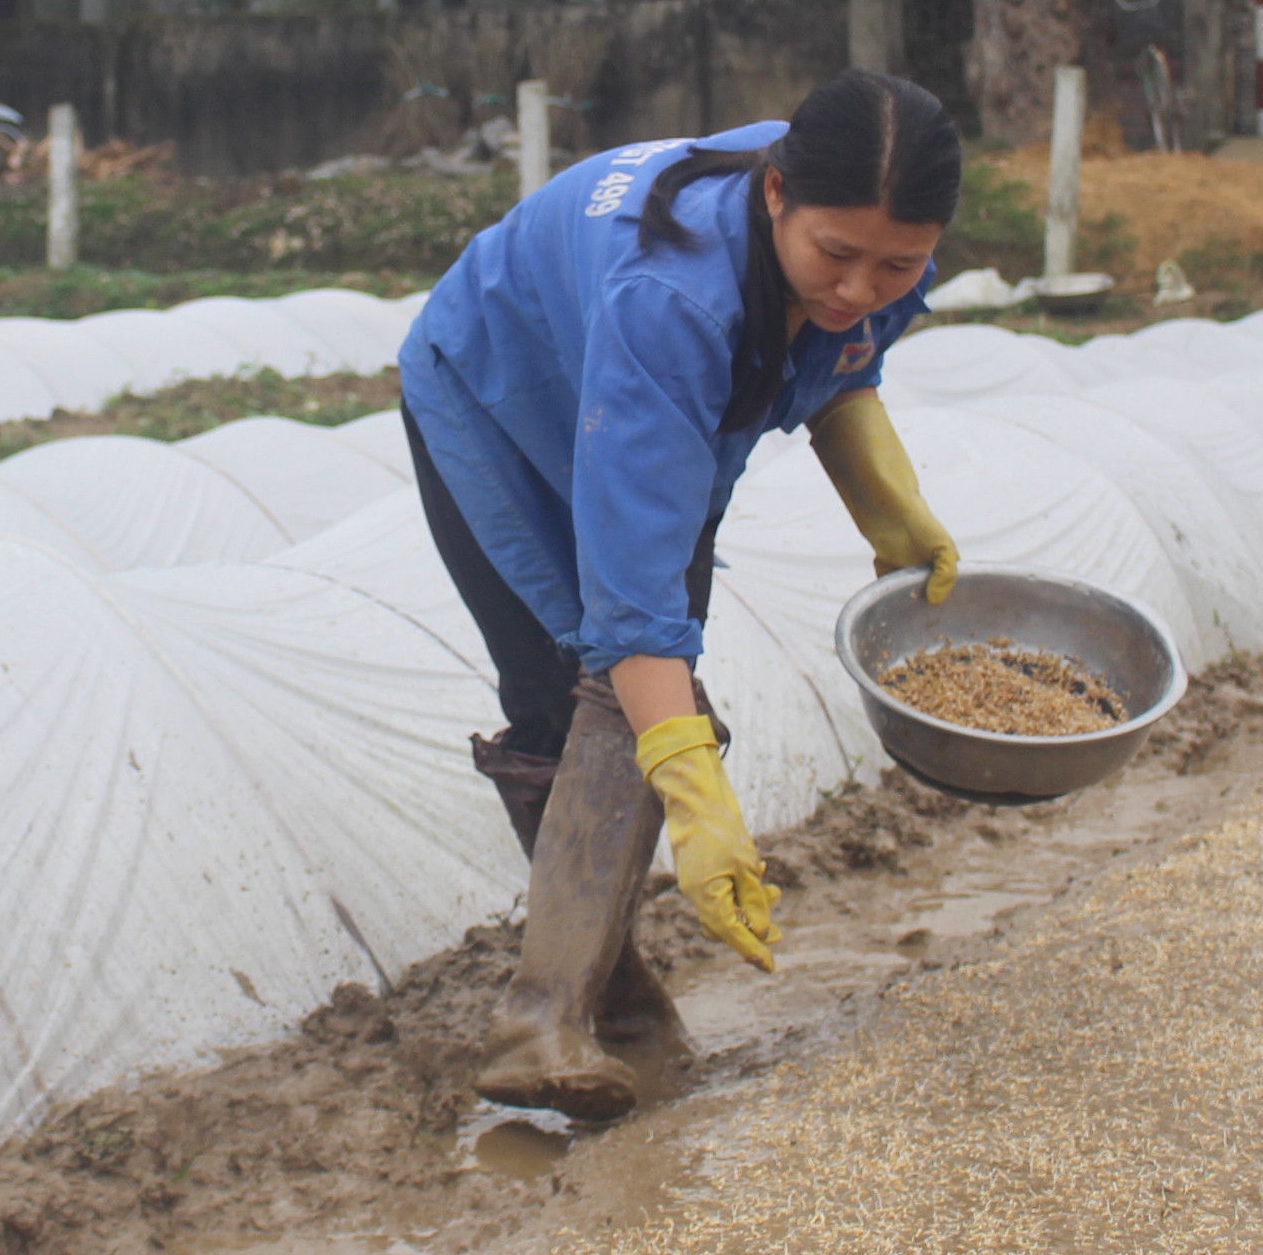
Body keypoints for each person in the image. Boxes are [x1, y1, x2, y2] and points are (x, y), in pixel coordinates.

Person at [399, 69, 964, 1122]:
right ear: (774, 195)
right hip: (496, 394)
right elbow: (632, 621)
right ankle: (548, 1018)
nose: (858, 286)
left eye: (897, 264)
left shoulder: (859, 238)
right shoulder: (674, 295)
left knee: (646, 690)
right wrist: (701, 805)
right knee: (587, 682)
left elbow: (837, 354)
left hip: (658, 416)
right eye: (834, 255)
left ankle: (611, 1006)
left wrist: (889, 503)